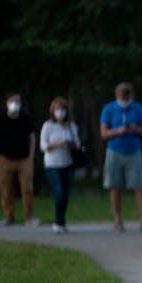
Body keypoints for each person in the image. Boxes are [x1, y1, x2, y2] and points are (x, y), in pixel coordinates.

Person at [100, 82, 142, 232]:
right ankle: (118, 219)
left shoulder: (138, 108)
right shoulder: (109, 109)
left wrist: (135, 129)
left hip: (133, 151)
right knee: (115, 186)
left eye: (127, 97)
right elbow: (104, 133)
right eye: (122, 97)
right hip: (114, 150)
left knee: (139, 186)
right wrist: (118, 131)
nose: (125, 100)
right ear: (117, 96)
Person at [0, 93, 38, 226]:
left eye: (17, 101)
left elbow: (32, 137)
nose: (15, 104)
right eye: (12, 101)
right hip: (4, 159)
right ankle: (8, 216)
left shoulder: (25, 119)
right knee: (6, 189)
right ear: (7, 103)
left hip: (24, 159)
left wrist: (31, 155)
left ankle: (29, 217)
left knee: (27, 188)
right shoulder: (0, 120)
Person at [39, 97, 80, 233]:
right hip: (52, 164)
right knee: (59, 192)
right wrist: (57, 143)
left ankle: (61, 221)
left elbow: (78, 144)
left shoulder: (71, 126)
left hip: (67, 163)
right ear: (53, 111)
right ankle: (58, 222)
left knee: (66, 194)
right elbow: (43, 145)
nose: (60, 112)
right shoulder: (48, 126)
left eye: (62, 109)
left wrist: (70, 144)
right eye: (57, 110)